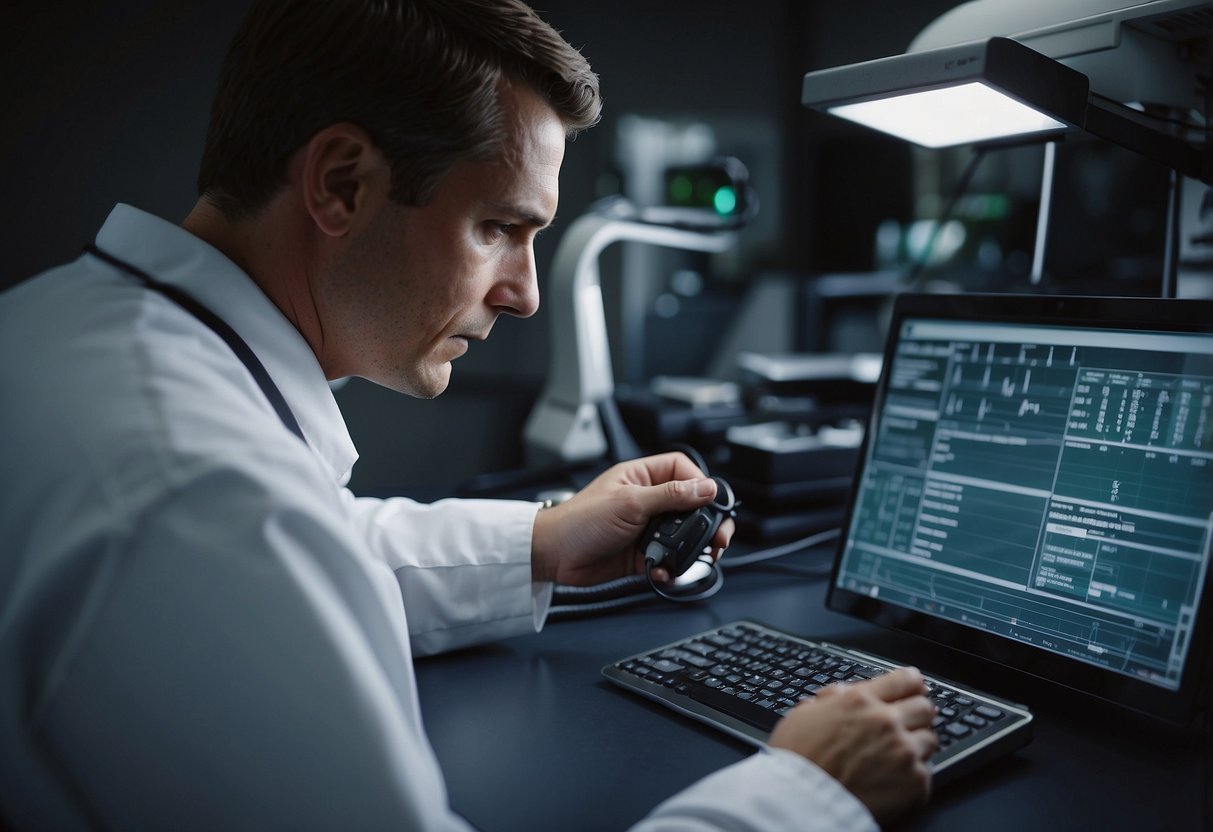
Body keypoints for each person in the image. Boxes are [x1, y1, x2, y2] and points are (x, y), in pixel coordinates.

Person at [0, 1, 936, 829]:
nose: (524, 292)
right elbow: (250, 542)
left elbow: (297, 562)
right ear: (340, 184)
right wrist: (808, 792)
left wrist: (541, 544)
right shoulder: (204, 495)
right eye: (499, 227)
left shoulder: (67, 331)